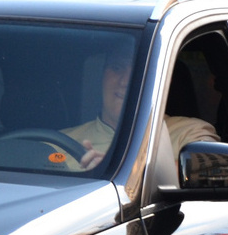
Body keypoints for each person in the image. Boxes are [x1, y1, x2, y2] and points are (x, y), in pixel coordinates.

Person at [63, 56, 218, 170]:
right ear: (102, 76)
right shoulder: (58, 142)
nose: (125, 81)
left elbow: (211, 169)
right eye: (117, 68)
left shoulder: (190, 132)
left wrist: (115, 172)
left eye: (139, 70)